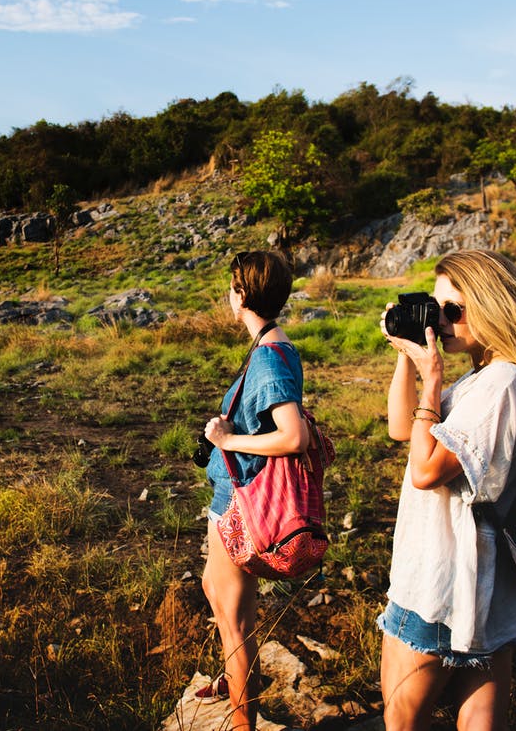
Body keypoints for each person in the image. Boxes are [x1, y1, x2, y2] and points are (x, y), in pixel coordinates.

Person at [378, 249, 516, 730]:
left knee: (401, 721)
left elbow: (425, 469)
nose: (442, 321)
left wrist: (432, 381)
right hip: (476, 578)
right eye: (437, 307)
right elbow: (403, 427)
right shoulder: (485, 378)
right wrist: (407, 355)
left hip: (441, 579)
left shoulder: (502, 383)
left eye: (454, 310)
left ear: (492, 308)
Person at [197, 250, 309, 730]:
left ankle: (242, 720)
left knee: (233, 621)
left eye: (231, 285)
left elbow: (293, 435)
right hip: (232, 497)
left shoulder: (267, 359)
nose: (229, 293)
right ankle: (232, 682)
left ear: (241, 294)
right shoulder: (273, 346)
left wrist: (226, 439)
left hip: (242, 503)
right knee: (214, 589)